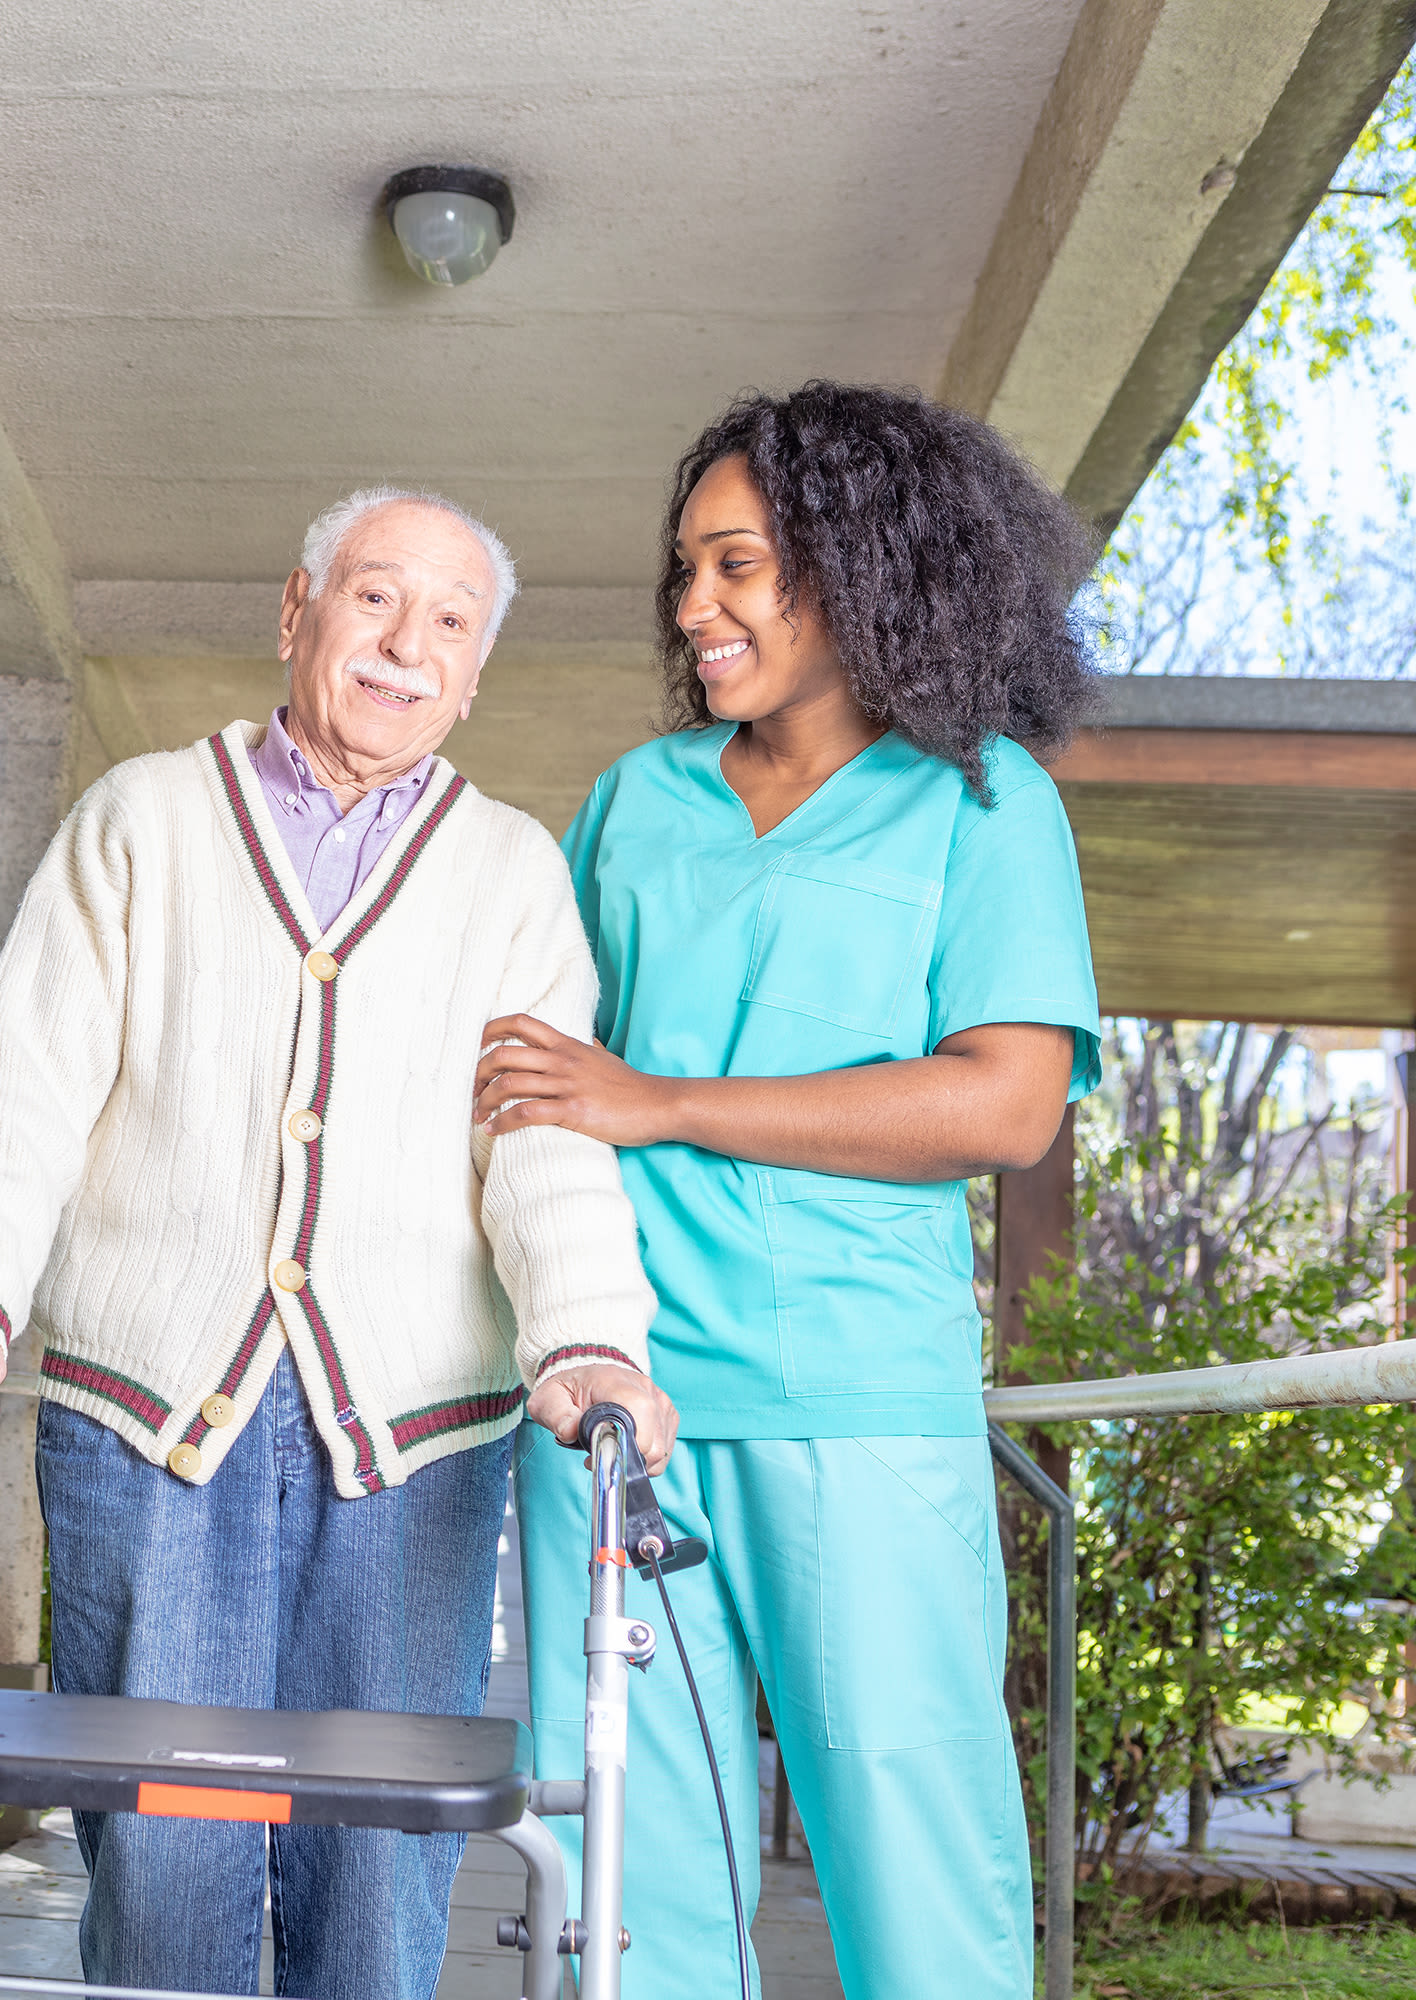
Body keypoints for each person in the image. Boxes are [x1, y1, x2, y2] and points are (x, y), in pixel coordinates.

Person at [0, 488, 675, 2000]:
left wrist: (589, 1342)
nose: (407, 645)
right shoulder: (143, 821)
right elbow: (28, 1092)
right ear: (296, 610)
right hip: (146, 1420)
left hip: (416, 1444)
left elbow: (545, 1144)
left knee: (380, 1881)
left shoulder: (510, 874)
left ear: (475, 673)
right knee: (162, 1862)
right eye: (377, 600)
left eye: (451, 624)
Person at [478, 381, 1101, 1996]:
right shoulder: (635, 803)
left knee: (917, 1866)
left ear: (862, 567)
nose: (695, 608)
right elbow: (543, 1088)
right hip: (618, 1411)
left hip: (857, 1404)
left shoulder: (981, 801)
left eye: (738, 565)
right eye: (686, 569)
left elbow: (1007, 1100)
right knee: (633, 1878)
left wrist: (660, 1099)